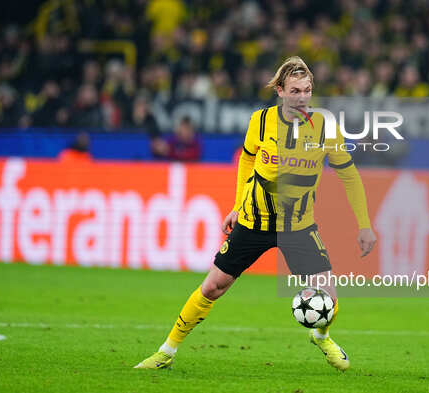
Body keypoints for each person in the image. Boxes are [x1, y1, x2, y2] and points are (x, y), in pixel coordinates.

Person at [134, 56, 377, 371]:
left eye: (307, 90)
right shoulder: (260, 121)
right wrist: (237, 205)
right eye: (295, 90)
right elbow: (247, 161)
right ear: (279, 90)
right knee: (212, 287)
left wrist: (364, 224)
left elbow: (349, 175)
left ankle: (321, 336)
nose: (302, 97)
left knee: (328, 295)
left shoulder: (325, 128)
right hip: (254, 221)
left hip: (298, 226)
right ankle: (166, 351)